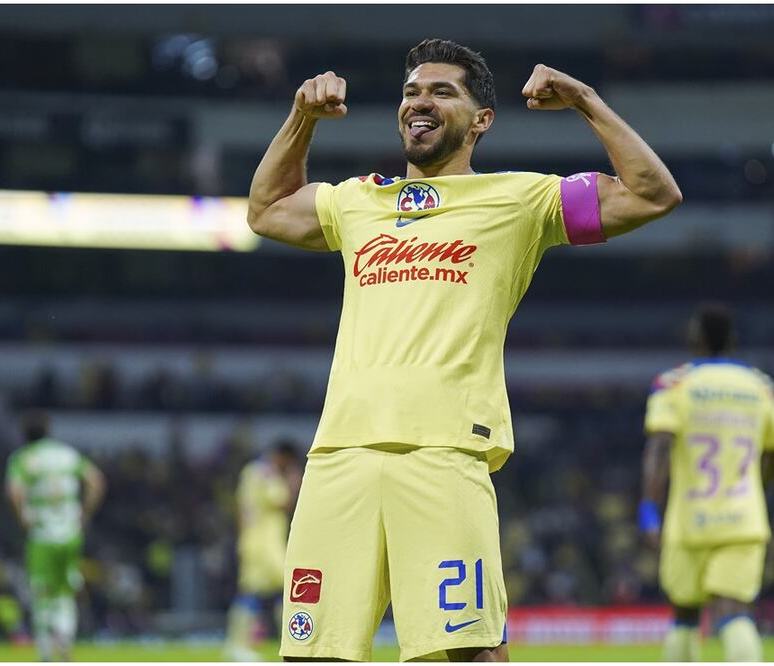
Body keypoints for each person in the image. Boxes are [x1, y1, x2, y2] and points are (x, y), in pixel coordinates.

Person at [247, 38, 681, 662]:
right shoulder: (358, 201)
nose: (419, 102)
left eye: (442, 92)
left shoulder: (520, 200)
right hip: (339, 453)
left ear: (482, 120)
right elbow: (266, 210)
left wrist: (585, 100)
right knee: (312, 654)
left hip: (444, 451)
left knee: (468, 653)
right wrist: (301, 117)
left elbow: (652, 194)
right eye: (411, 91)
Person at [639, 302, 774, 661]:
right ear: (733, 340)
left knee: (685, 614)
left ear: (696, 338)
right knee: (735, 612)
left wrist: (648, 509)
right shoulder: (762, 387)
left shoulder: (673, 384)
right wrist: (754, 489)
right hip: (743, 519)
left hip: (688, 520)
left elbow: (659, 448)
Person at [5, 410, 106, 662]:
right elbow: (96, 481)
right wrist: (85, 513)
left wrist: (22, 519)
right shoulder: (66, 454)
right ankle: (64, 643)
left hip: (42, 534)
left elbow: (15, 491)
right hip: (70, 532)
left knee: (42, 591)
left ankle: (46, 652)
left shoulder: (23, 458)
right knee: (65, 591)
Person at [224, 441, 302, 662]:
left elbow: (243, 508)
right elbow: (282, 501)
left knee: (253, 592)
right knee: (290, 588)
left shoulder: (250, 471)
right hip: (268, 544)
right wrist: (293, 481)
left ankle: (238, 644)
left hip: (252, 539)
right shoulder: (267, 472)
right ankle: (294, 641)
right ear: (282, 456)